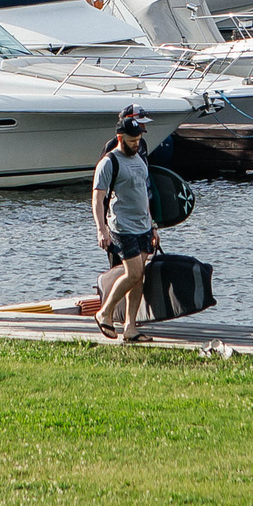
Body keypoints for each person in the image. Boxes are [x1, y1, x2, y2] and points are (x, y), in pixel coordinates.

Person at [91, 105, 159, 344]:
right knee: (133, 273)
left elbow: (144, 192)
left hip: (142, 226)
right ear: (120, 138)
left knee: (139, 278)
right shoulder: (109, 162)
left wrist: (153, 226)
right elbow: (97, 198)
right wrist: (102, 229)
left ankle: (130, 328)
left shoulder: (141, 156)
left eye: (138, 139)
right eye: (131, 140)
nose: (136, 143)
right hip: (121, 226)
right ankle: (104, 313)